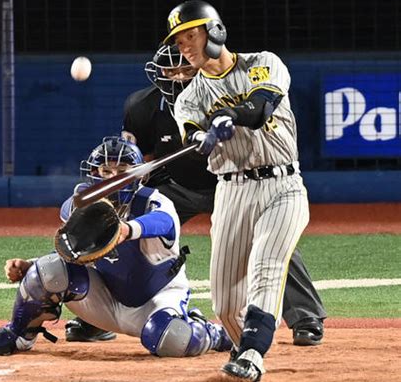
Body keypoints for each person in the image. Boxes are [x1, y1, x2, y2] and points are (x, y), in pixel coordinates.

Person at [66, 43, 326, 347]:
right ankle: (97, 317)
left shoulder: (222, 92)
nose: (177, 76)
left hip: (235, 183)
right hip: (178, 186)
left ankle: (305, 316)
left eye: (185, 69)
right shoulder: (140, 107)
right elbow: (136, 159)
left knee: (271, 239)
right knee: (124, 225)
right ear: (158, 73)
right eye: (170, 71)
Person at [163, 0, 313, 382]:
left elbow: (262, 107)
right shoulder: (188, 97)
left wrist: (231, 115)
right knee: (226, 303)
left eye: (190, 35)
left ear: (214, 32)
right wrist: (204, 137)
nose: (184, 46)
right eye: (178, 41)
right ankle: (243, 341)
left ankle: (251, 353)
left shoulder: (263, 62)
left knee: (267, 266)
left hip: (282, 186)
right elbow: (191, 132)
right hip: (231, 193)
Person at [0, 136, 232, 358]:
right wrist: (31, 266)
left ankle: (210, 332)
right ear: (93, 173)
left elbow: (162, 223)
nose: (113, 177)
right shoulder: (80, 206)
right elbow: (75, 254)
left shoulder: (155, 202)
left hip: (154, 300)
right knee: (47, 270)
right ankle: (20, 334)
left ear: (140, 174)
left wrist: (126, 229)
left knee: (172, 339)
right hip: (105, 298)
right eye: (105, 170)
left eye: (122, 168)